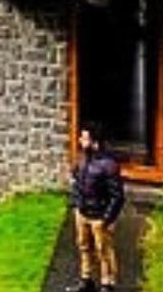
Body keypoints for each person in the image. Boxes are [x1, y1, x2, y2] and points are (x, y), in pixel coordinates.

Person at [66, 122, 124, 292]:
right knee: (83, 247)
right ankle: (86, 281)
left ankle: (107, 284)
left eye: (84, 138)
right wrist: (77, 205)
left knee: (103, 251)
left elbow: (118, 196)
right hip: (83, 213)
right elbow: (76, 182)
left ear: (94, 141)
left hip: (99, 217)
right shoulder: (82, 158)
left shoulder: (109, 165)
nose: (80, 140)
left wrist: (106, 219)